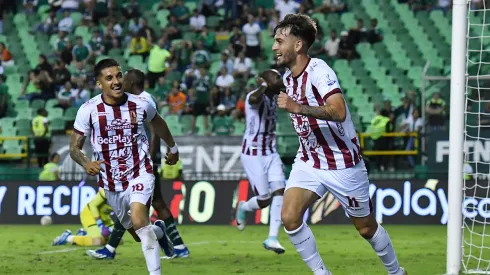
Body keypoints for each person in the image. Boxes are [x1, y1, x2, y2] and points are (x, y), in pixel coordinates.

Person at [272, 14, 407, 275]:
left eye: (280, 41)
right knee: (289, 217)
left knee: (366, 227)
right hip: (309, 159)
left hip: (342, 162)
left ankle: (396, 272)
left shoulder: (319, 71)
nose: (275, 47)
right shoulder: (288, 78)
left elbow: (339, 111)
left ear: (298, 45)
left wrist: (297, 107)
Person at [69, 59, 178, 274]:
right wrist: (86, 162)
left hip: (140, 171)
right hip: (111, 182)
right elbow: (74, 147)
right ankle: (159, 232)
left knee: (139, 218)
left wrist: (173, 148)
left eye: (118, 76)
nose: (116, 81)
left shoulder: (140, 103)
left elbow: (158, 123)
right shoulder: (88, 110)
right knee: (139, 234)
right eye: (109, 78)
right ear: (99, 84)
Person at [87, 69, 190, 260]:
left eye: (123, 79)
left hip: (142, 163)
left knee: (143, 206)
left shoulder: (143, 100)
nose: (120, 82)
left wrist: (148, 159)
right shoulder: (130, 100)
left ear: (131, 82)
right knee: (146, 204)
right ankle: (176, 244)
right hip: (135, 163)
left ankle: (111, 249)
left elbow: (154, 130)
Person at [235, 69, 286, 254]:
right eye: (276, 77)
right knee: (264, 199)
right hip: (253, 152)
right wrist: (263, 85)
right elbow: (253, 100)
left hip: (271, 152)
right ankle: (243, 207)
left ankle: (272, 238)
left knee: (280, 191)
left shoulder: (274, 96)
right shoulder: (255, 96)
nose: (280, 79)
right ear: (265, 81)